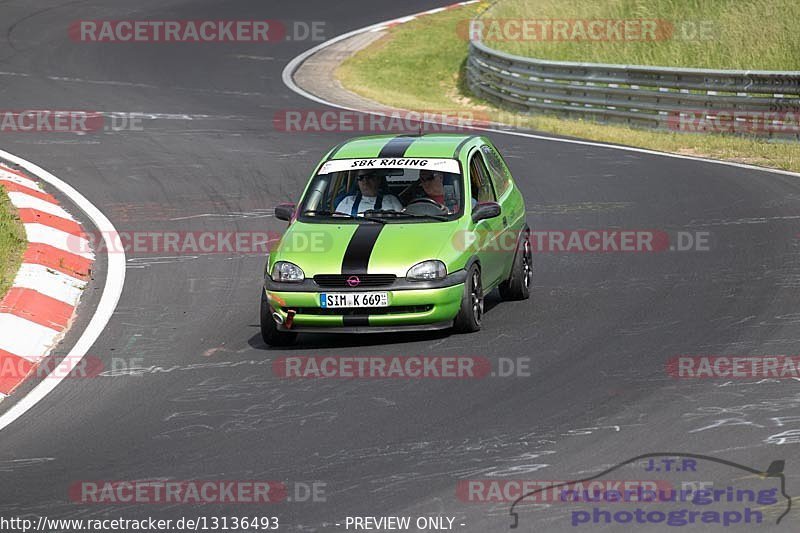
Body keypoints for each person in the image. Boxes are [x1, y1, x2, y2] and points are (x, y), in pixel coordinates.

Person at [335, 170, 403, 216]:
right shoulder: (346, 201)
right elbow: (335, 225)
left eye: (369, 177)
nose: (365, 182)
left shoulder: (391, 200)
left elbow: (402, 223)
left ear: (378, 179)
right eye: (360, 178)